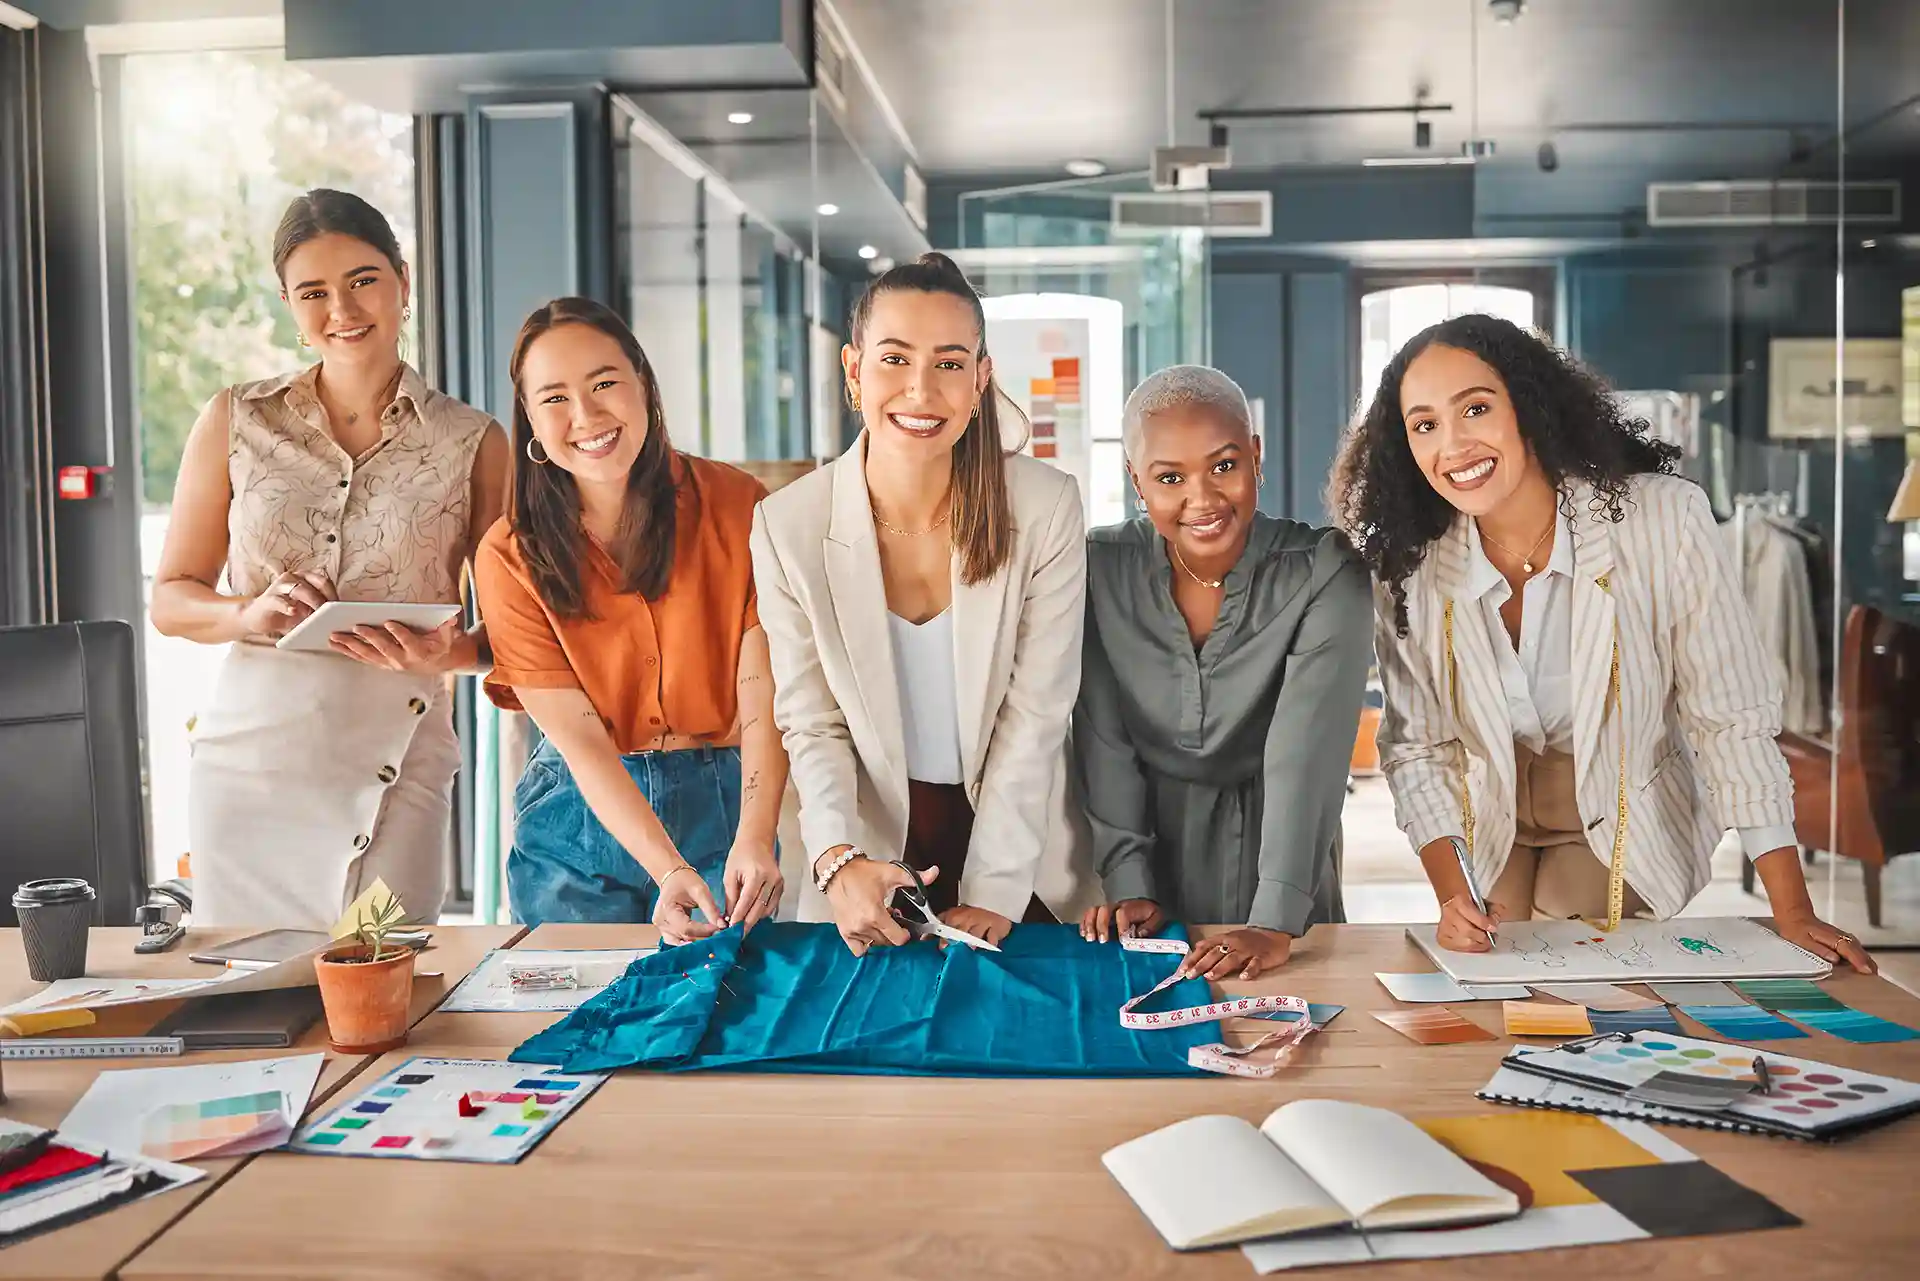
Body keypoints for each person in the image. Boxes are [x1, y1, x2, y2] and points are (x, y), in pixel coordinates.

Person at [1331, 313, 1875, 974]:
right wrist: (1454, 896)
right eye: (1424, 425)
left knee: (1560, 942)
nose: (1454, 445)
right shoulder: (1410, 566)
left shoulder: (1662, 520)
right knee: (1489, 955)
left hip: (1626, 804)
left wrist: (1792, 909)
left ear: (1529, 405)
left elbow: (1729, 718)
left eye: (1475, 408)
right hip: (1496, 809)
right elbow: (1419, 746)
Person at [153, 189, 508, 928]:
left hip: (399, 749)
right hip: (250, 763)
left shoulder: (472, 440)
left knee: (385, 970)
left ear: (402, 282)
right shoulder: (236, 419)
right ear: (289, 302)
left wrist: (448, 653)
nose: (341, 309)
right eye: (313, 291)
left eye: (362, 280)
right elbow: (172, 599)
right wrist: (247, 612)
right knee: (253, 982)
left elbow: (516, 627)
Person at [751, 252, 1093, 956]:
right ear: (854, 371)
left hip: (1020, 854)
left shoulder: (1045, 506)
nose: (921, 389)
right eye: (895, 359)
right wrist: (839, 860)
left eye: (949, 363)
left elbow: (1037, 714)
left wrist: (993, 889)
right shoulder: (787, 525)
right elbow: (812, 721)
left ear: (981, 379)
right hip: (870, 849)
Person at [472, 297, 784, 941]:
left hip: (721, 802)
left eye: (604, 383)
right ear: (529, 417)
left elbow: (763, 694)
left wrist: (756, 834)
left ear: (643, 383)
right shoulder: (508, 555)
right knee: (577, 1002)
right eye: (554, 398)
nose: (586, 416)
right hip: (577, 813)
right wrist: (668, 867)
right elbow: (580, 741)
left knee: (725, 996)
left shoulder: (739, 506)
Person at [1074, 366, 1371, 981]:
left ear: (1256, 457)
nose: (1203, 499)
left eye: (1224, 466)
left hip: (1283, 855)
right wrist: (1128, 881)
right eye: (1170, 478)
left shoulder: (1325, 571)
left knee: (1290, 1020)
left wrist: (1275, 920)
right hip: (1149, 847)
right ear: (1136, 480)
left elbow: (1307, 755)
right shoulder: (1096, 568)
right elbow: (1103, 739)